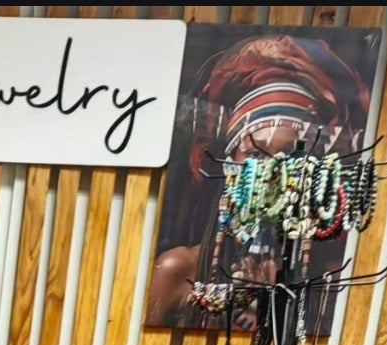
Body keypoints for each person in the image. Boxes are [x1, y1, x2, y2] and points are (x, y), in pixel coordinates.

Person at [147, 33, 372, 327]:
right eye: (255, 154)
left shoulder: (332, 284)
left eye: (291, 154)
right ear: (230, 164)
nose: (272, 170)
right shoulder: (178, 271)